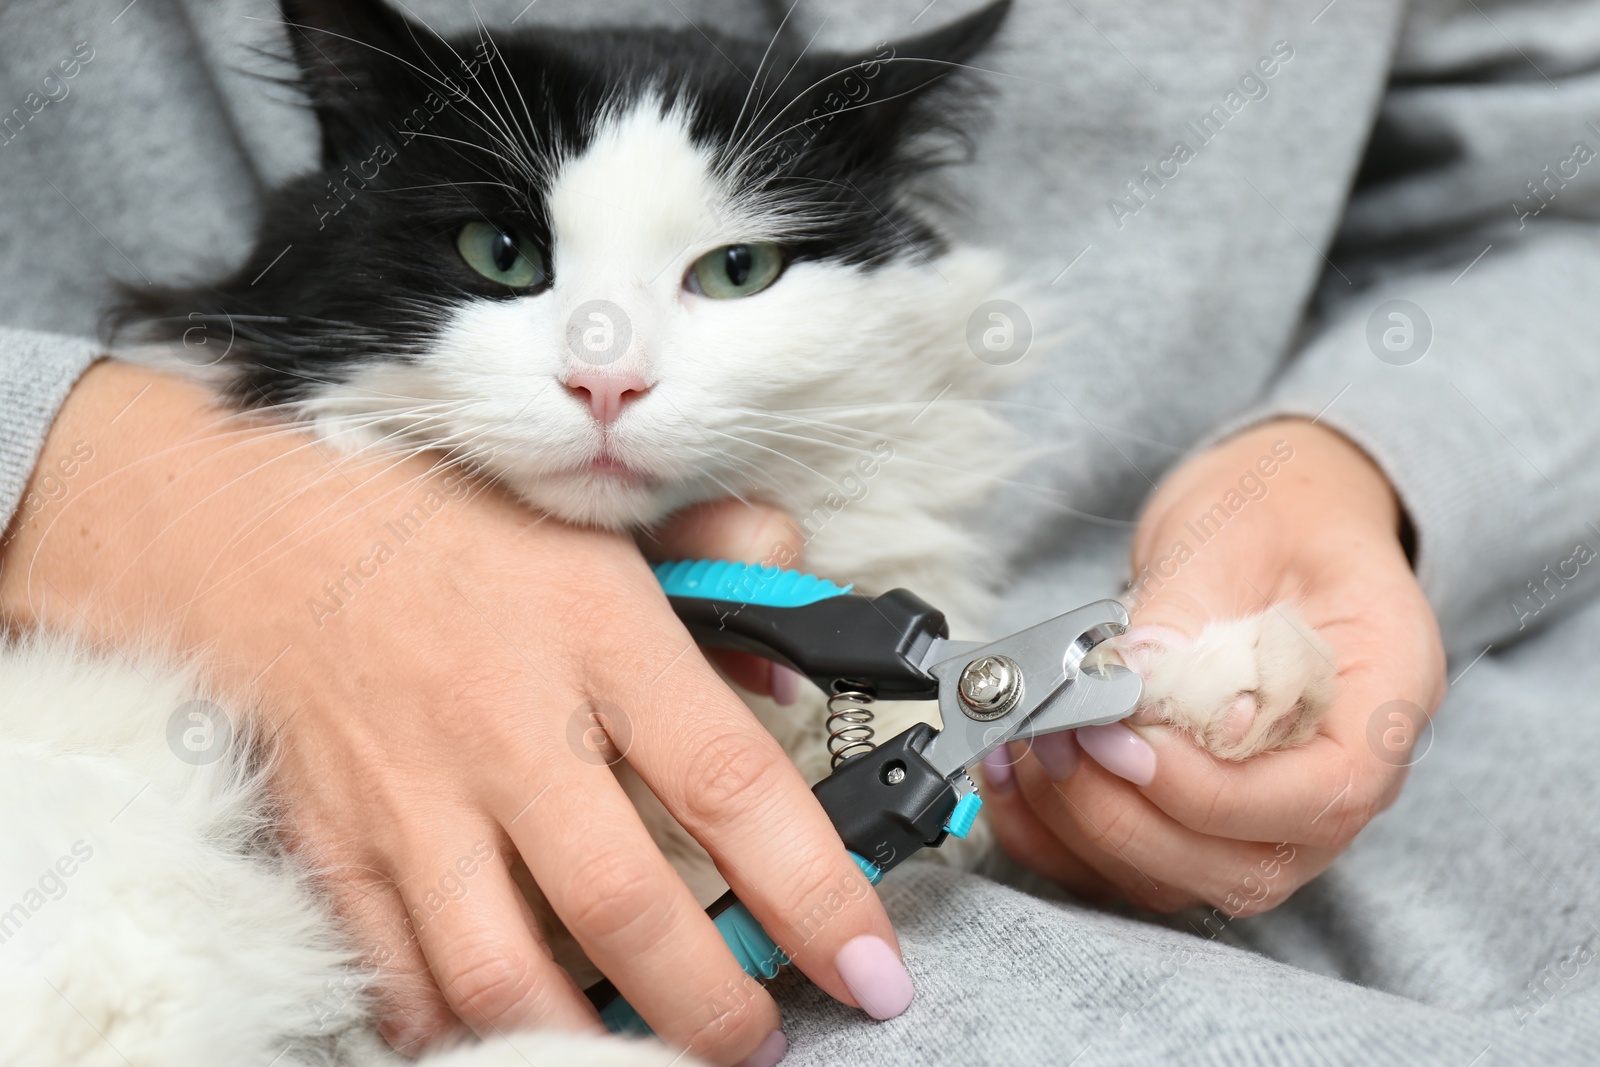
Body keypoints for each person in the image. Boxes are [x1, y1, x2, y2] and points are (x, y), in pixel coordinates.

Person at [1, 1, 1597, 1065]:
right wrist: (64, 469)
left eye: (734, 271)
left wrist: (1372, 465)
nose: (607, 373)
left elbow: (1563, 196)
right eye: (507, 256)